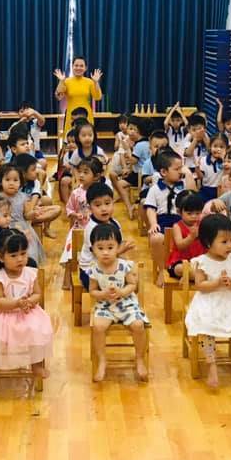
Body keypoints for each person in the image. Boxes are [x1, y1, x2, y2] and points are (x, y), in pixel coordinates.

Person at [0, 228, 53, 393]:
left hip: (27, 314)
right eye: (14, 255)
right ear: (1, 257)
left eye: (23, 253)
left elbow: (37, 293)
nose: (20, 259)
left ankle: (36, 364)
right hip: (2, 315)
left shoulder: (30, 273)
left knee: (37, 331)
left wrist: (30, 301)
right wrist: (16, 303)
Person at [183, 214, 231, 388]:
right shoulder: (202, 262)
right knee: (206, 328)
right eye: (224, 242)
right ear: (208, 243)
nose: (230, 245)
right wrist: (216, 283)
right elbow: (200, 286)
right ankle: (212, 365)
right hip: (209, 300)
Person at [88, 223, 150, 382]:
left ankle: (139, 358)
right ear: (93, 249)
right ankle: (102, 360)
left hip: (126, 303)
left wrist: (122, 292)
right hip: (105, 305)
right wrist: (102, 294)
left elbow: (132, 285)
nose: (105, 252)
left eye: (110, 247)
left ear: (118, 248)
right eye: (100, 248)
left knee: (138, 325)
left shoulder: (124, 265)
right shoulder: (94, 268)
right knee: (98, 327)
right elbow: (92, 291)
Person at [79, 183, 133, 289]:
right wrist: (122, 250)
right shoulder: (91, 228)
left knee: (132, 277)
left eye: (107, 203)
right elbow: (100, 255)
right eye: (98, 205)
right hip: (90, 270)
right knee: (115, 286)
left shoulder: (115, 223)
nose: (104, 209)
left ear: (113, 203)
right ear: (89, 208)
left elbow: (119, 245)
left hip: (109, 265)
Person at [60, 157, 103, 288]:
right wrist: (75, 214)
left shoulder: (100, 192)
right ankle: (67, 281)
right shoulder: (76, 193)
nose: (81, 175)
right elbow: (69, 209)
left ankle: (98, 280)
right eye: (80, 172)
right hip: (78, 228)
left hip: (96, 229)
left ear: (96, 176)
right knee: (70, 253)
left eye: (86, 172)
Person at [145, 150, 186, 287]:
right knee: (156, 238)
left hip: (180, 222)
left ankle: (185, 269)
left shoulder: (183, 187)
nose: (180, 172)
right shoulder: (155, 189)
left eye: (181, 168)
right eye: (177, 169)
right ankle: (162, 270)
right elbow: (150, 208)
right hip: (162, 221)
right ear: (163, 172)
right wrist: (153, 224)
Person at [0, 164, 45, 266]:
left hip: (23, 228)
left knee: (29, 254)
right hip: (4, 229)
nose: (11, 183)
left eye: (15, 180)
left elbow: (26, 215)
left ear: (21, 183)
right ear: (1, 181)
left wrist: (33, 213)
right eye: (7, 180)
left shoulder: (23, 197)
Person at [53, 56, 103, 135]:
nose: (78, 68)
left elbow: (98, 97)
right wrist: (61, 81)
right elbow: (58, 96)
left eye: (81, 66)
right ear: (72, 67)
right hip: (71, 116)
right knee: (71, 138)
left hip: (86, 115)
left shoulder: (90, 82)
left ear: (85, 68)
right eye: (76, 65)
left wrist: (96, 82)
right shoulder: (67, 81)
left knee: (86, 138)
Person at [167, 191, 206, 280]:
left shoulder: (203, 224)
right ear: (180, 212)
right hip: (180, 260)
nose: (194, 216)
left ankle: (192, 277)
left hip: (200, 261)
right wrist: (191, 237)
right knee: (180, 269)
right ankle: (196, 277)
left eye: (197, 213)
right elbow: (180, 246)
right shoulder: (177, 226)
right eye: (189, 213)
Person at [197, 134, 227, 203]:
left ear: (226, 148)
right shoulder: (203, 160)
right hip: (206, 189)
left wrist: (223, 159)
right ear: (210, 147)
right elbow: (201, 176)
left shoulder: (227, 160)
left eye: (221, 147)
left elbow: (228, 172)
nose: (218, 149)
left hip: (221, 189)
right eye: (215, 146)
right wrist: (197, 168)